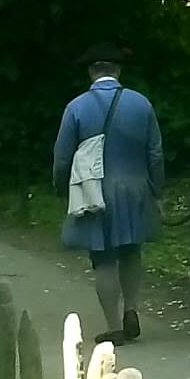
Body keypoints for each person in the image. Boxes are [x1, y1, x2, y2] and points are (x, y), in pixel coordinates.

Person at [53, 43, 164, 346]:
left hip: (94, 189)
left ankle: (114, 326)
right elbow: (155, 153)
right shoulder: (141, 104)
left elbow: (62, 157)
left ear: (91, 71)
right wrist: (157, 190)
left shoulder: (76, 107)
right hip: (135, 188)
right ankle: (131, 308)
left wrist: (62, 188)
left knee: (102, 258)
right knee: (131, 250)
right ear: (118, 70)